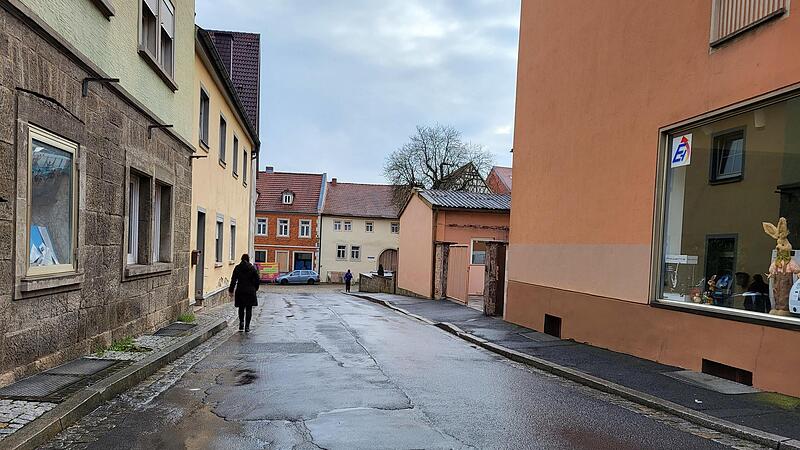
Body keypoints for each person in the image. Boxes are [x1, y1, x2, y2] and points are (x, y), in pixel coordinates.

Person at [229, 254, 260, 332]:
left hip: (240, 290)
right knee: (249, 309)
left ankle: (241, 323)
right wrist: (255, 288)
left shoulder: (237, 268)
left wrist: (231, 290)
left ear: (241, 259)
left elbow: (233, 280)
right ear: (248, 259)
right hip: (250, 290)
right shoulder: (252, 268)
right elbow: (257, 280)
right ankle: (247, 327)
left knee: (241, 308)